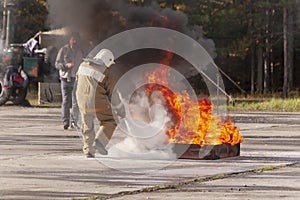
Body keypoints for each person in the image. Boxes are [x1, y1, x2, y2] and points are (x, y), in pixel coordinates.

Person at [76, 49, 118, 158]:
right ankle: (100, 142)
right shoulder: (106, 71)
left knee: (87, 124)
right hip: (97, 103)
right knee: (110, 120)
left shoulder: (82, 65)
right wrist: (120, 109)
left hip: (81, 100)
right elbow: (112, 93)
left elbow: (77, 80)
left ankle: (88, 149)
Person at [55, 32, 84, 130]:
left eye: (76, 40)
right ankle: (66, 122)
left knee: (76, 102)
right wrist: (66, 66)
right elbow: (57, 64)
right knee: (66, 101)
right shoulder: (64, 50)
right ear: (69, 40)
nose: (75, 42)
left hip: (77, 78)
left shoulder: (80, 51)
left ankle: (74, 122)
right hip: (65, 78)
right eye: (73, 39)